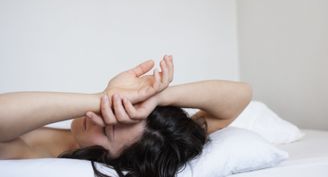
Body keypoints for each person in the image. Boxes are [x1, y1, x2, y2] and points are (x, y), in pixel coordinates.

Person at [0, 55, 252, 177]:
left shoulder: (37, 152)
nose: (100, 116)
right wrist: (158, 97)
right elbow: (242, 94)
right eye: (117, 111)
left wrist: (100, 98)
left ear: (113, 160)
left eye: (108, 129)